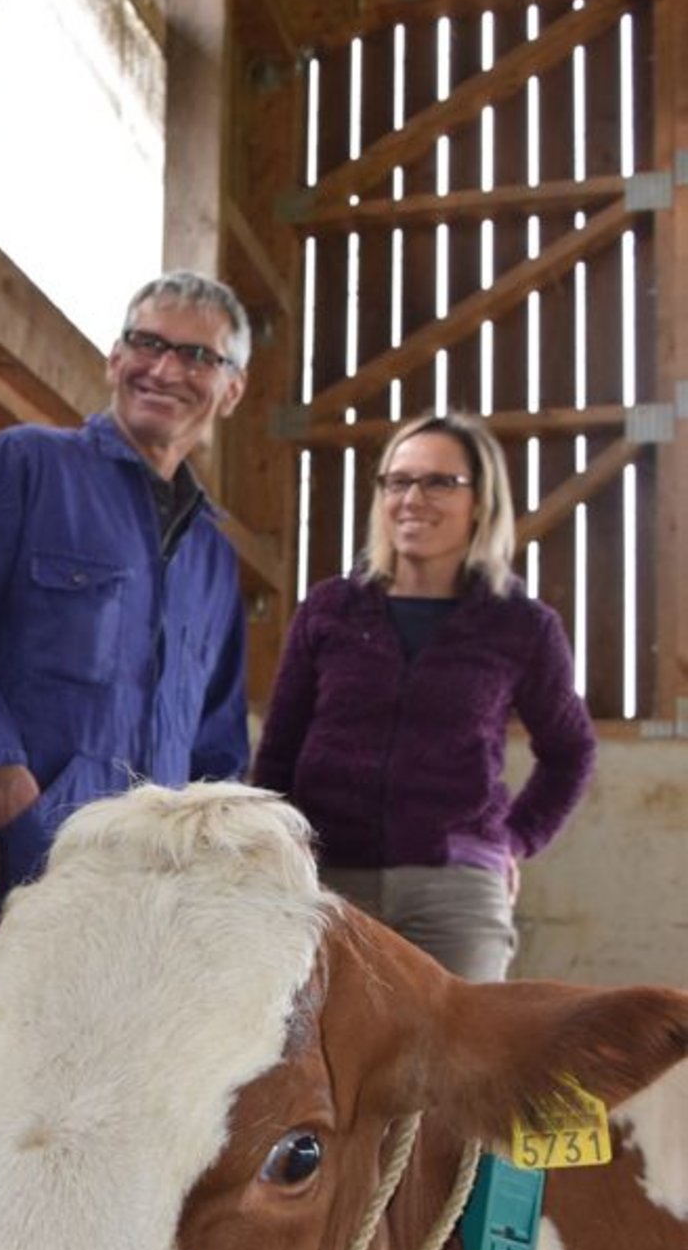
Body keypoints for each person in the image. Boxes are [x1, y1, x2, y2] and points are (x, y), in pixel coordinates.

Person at [252, 408, 596, 981]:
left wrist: (514, 839)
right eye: (398, 481)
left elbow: (571, 751)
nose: (413, 498)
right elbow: (280, 749)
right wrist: (277, 849)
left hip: (455, 893)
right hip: (325, 884)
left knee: (467, 1042)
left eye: (439, 482)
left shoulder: (521, 625)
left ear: (480, 501)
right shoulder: (330, 609)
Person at [0, 270, 251, 898]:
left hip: (150, 887)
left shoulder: (214, 558)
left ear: (231, 390)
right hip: (12, 863)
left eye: (197, 356)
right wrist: (13, 800)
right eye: (147, 343)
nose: (163, 370)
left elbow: (217, 744)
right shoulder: (26, 465)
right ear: (115, 358)